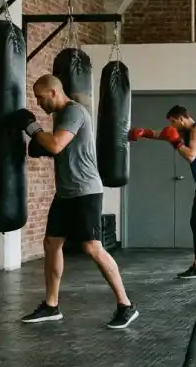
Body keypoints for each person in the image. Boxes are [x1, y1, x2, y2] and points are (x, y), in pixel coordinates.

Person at [16, 74, 139, 330]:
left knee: (93, 248)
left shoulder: (74, 111)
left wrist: (32, 128)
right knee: (51, 243)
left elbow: (57, 145)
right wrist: (41, 141)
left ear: (53, 92)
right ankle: (51, 305)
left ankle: (126, 305)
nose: (39, 103)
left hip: (86, 192)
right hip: (65, 193)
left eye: (40, 97)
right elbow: (57, 148)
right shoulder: (61, 117)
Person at [130, 106, 196, 279]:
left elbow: (190, 155)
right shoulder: (186, 131)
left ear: (181, 118)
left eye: (174, 122)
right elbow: (163, 134)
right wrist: (143, 133)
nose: (173, 126)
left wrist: (175, 142)